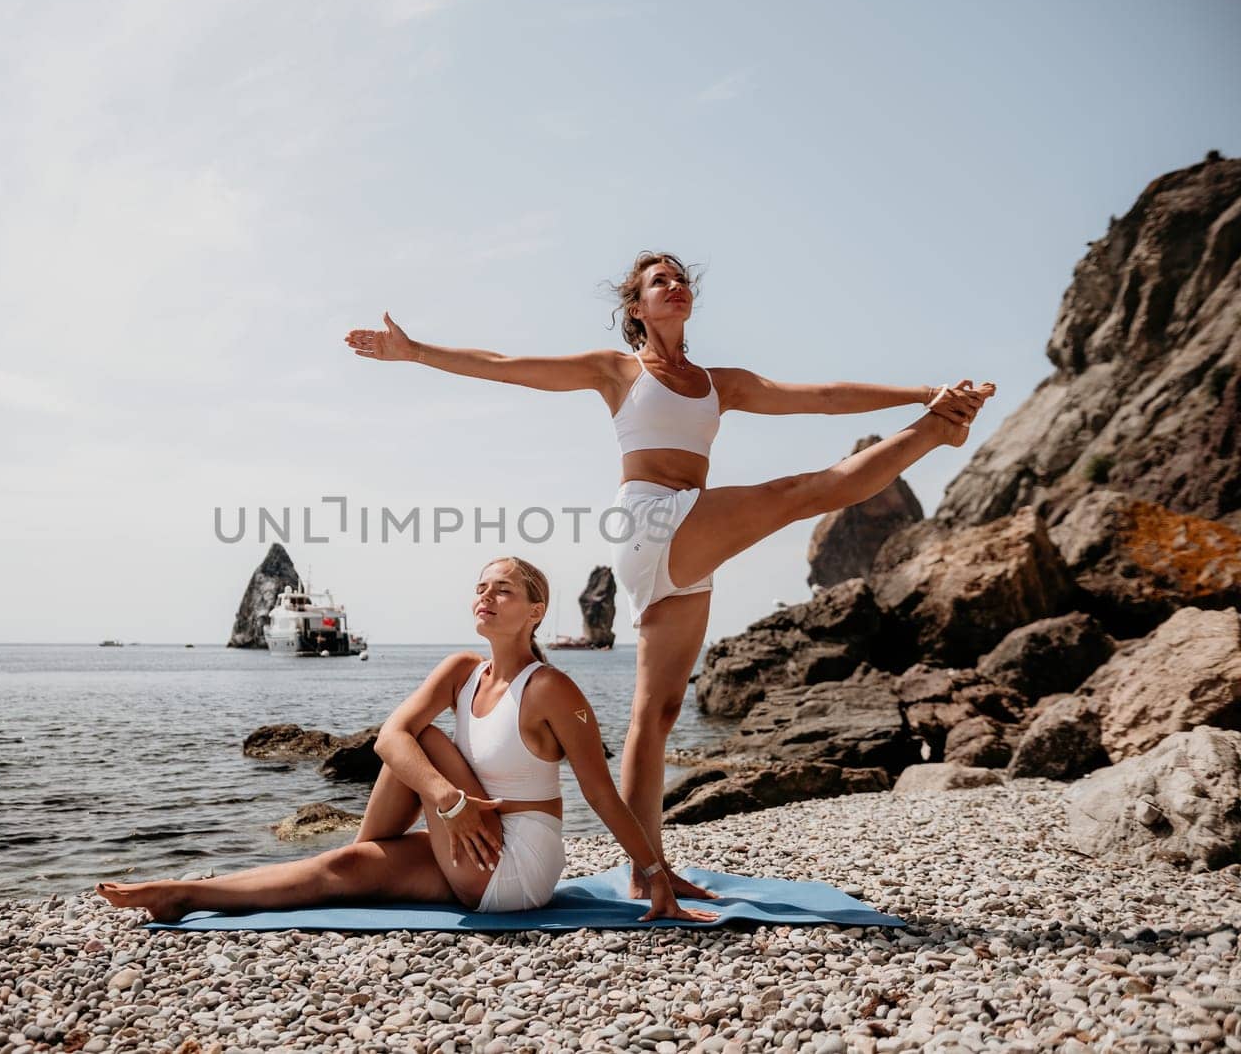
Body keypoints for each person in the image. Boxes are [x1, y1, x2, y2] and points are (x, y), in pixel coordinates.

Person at [344, 251, 995, 898]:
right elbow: (509, 368)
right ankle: (938, 430)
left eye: (682, 280)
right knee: (801, 491)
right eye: (661, 282)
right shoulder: (617, 371)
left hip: (685, 541)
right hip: (654, 521)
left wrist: (918, 387)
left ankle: (643, 869)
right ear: (637, 307)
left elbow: (823, 398)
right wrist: (416, 351)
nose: (677, 287)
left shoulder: (720, 382)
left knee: (657, 713)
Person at [97, 556, 720, 924]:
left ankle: (376, 859)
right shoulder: (458, 670)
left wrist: (654, 872)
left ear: (536, 611)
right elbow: (389, 738)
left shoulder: (551, 688)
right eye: (481, 587)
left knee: (432, 742)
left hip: (517, 864)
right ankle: (184, 893)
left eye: (503, 589)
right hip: (464, 835)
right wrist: (447, 800)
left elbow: (601, 794)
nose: (486, 596)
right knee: (345, 860)